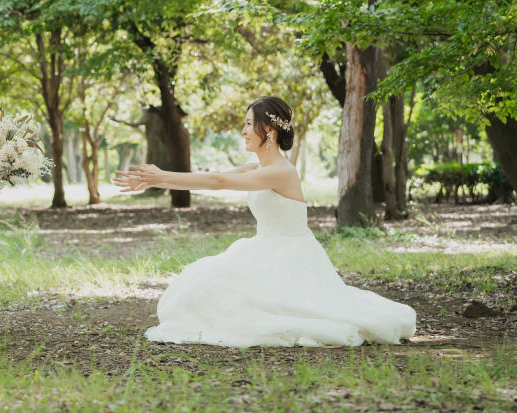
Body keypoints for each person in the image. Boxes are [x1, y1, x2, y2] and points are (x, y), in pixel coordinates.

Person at [114, 96, 416, 347]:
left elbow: (218, 182)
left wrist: (162, 176)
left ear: (269, 130)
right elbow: (209, 181)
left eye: (248, 124)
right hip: (264, 248)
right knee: (202, 279)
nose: (244, 130)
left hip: (290, 257)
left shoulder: (282, 171)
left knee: (223, 289)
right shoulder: (257, 166)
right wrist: (155, 181)